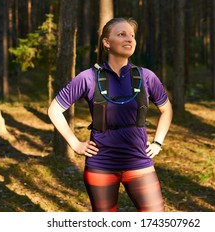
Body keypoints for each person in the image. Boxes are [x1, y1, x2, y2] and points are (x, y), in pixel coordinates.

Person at [48, 17, 173, 212]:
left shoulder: (146, 76)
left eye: (132, 35)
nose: (129, 39)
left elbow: (166, 109)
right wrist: (75, 144)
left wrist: (157, 142)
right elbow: (54, 109)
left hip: (139, 161)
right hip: (101, 164)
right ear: (106, 42)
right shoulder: (88, 77)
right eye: (122, 34)